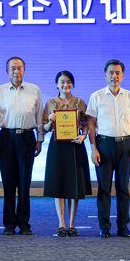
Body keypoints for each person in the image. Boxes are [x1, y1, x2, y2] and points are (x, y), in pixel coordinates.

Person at [87, 59, 130, 238]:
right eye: (111, 72)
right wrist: (93, 148)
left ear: (122, 76)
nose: (114, 76)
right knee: (104, 188)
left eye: (117, 73)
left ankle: (123, 226)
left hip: (125, 146)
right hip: (104, 145)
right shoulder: (96, 96)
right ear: (105, 75)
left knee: (123, 188)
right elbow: (91, 124)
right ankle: (104, 226)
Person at [0, 57, 43, 236]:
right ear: (7, 71)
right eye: (13, 68)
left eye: (19, 68)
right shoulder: (0, 91)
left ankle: (24, 223)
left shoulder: (34, 90)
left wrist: (39, 139)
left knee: (24, 182)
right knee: (8, 183)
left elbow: (39, 116)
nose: (16, 71)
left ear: (24, 70)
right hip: (6, 138)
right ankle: (9, 224)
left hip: (27, 138)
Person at [42, 70, 90, 237]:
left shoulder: (80, 102)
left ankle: (72, 224)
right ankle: (61, 224)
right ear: (57, 84)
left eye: (68, 81)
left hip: (75, 145)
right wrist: (51, 120)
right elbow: (44, 128)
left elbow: (86, 123)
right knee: (59, 183)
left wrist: (84, 135)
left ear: (72, 83)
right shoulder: (51, 103)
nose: (65, 85)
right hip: (57, 146)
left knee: (74, 185)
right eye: (62, 82)